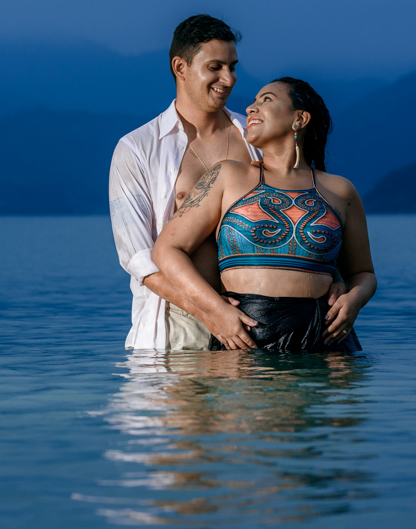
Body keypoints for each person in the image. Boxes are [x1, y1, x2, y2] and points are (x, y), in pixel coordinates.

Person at [109, 15, 353, 351]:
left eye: (233, 67)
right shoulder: (138, 149)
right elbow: (138, 258)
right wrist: (212, 311)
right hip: (177, 323)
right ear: (180, 67)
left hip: (257, 321)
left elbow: (303, 211)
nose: (229, 79)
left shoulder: (255, 135)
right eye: (215, 67)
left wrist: (336, 279)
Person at [151, 78, 377, 352]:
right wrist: (215, 311)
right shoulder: (226, 176)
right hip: (244, 337)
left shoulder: (341, 191)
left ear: (300, 119)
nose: (250, 108)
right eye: (254, 102)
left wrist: (354, 300)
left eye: (266, 100)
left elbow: (363, 273)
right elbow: (166, 249)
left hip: (327, 339)